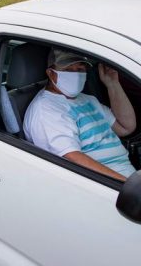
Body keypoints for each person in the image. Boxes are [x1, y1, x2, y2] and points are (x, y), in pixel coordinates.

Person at [24, 49, 137, 181]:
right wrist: (126, 184)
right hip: (107, 185)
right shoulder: (46, 109)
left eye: (80, 69)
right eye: (68, 70)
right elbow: (73, 158)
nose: (76, 75)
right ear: (51, 73)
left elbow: (125, 127)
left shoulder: (87, 99)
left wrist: (112, 83)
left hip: (127, 176)